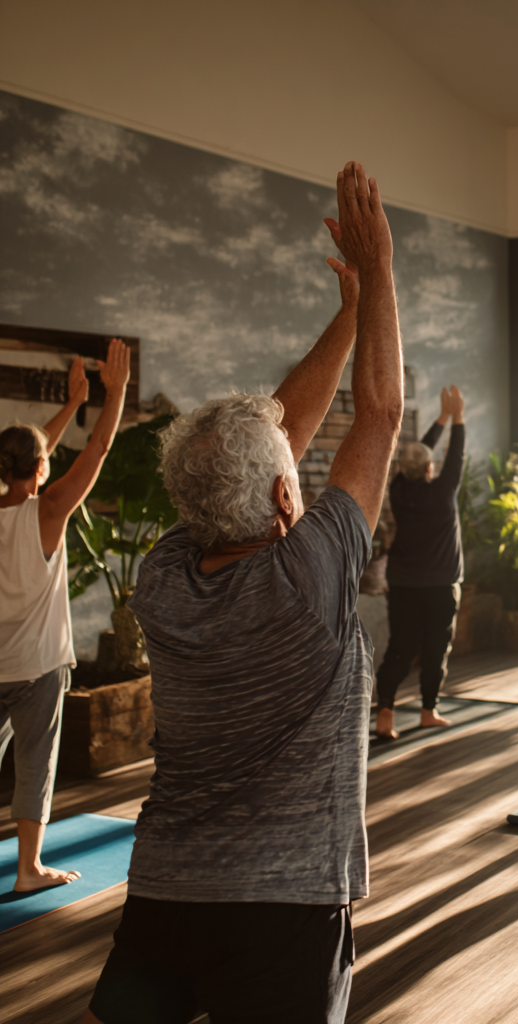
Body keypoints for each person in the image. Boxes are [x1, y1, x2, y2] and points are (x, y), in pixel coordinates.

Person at [80, 162, 402, 1024]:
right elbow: (379, 415)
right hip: (284, 910)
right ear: (284, 496)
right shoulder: (308, 579)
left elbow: (263, 440)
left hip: (165, 892)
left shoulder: (164, 578)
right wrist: (379, 276)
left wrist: (349, 313)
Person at [1, 341, 130, 892]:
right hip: (38, 667)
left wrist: (72, 403)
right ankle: (29, 870)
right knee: (35, 763)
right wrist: (113, 392)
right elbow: (97, 449)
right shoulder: (49, 511)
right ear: (42, 468)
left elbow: (30, 458)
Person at [374, 384, 466, 739]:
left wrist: (443, 419)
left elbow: (424, 455)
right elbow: (455, 456)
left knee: (401, 647)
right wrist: (456, 417)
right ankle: (428, 711)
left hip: (402, 582)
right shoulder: (442, 493)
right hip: (440, 584)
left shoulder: (398, 489)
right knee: (435, 649)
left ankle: (385, 712)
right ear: (430, 468)